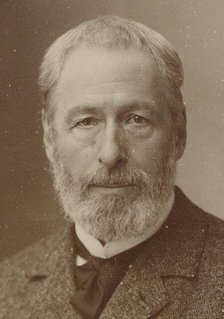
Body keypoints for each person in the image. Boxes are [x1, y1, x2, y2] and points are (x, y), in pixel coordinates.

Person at [0, 16, 223, 319]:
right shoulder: (7, 286)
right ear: (50, 138)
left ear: (179, 133)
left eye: (136, 119)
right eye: (86, 121)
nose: (110, 153)